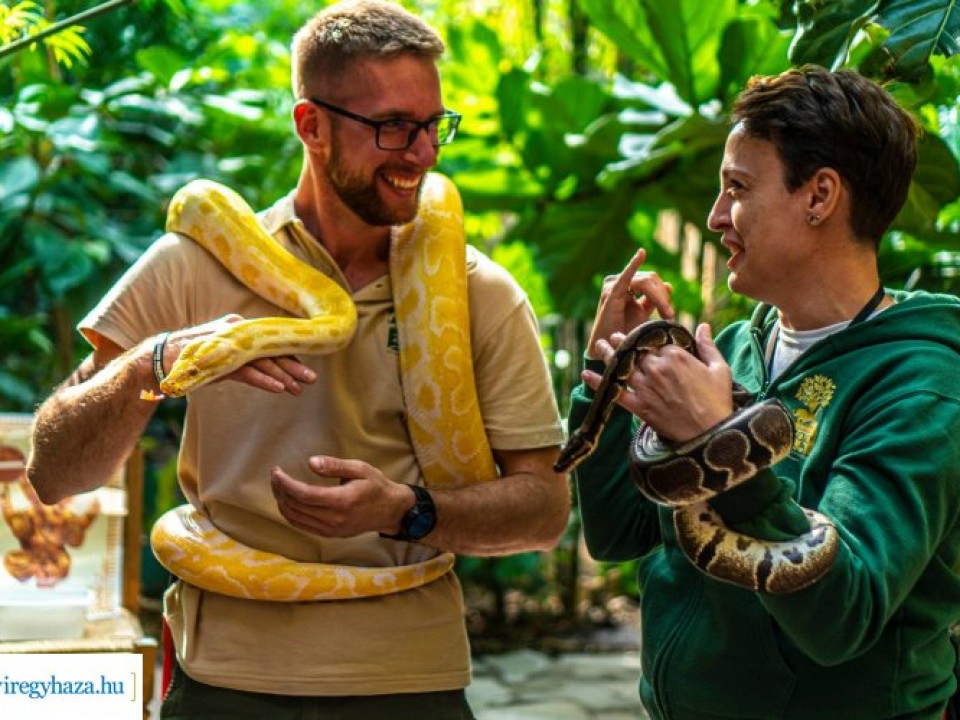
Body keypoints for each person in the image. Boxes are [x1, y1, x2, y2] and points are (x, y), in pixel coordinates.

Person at [25, 1, 570, 718]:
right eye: (392, 127)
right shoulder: (193, 267)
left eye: (433, 125)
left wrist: (406, 511)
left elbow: (544, 510)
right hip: (223, 684)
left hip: (409, 684)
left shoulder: (480, 294)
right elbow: (54, 472)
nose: (423, 153)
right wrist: (151, 364)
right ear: (311, 126)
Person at [567, 65, 960, 719]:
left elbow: (842, 618)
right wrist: (611, 378)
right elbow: (618, 532)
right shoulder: (735, 352)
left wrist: (717, 444)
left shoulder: (923, 386)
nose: (717, 216)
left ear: (819, 196)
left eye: (738, 188)